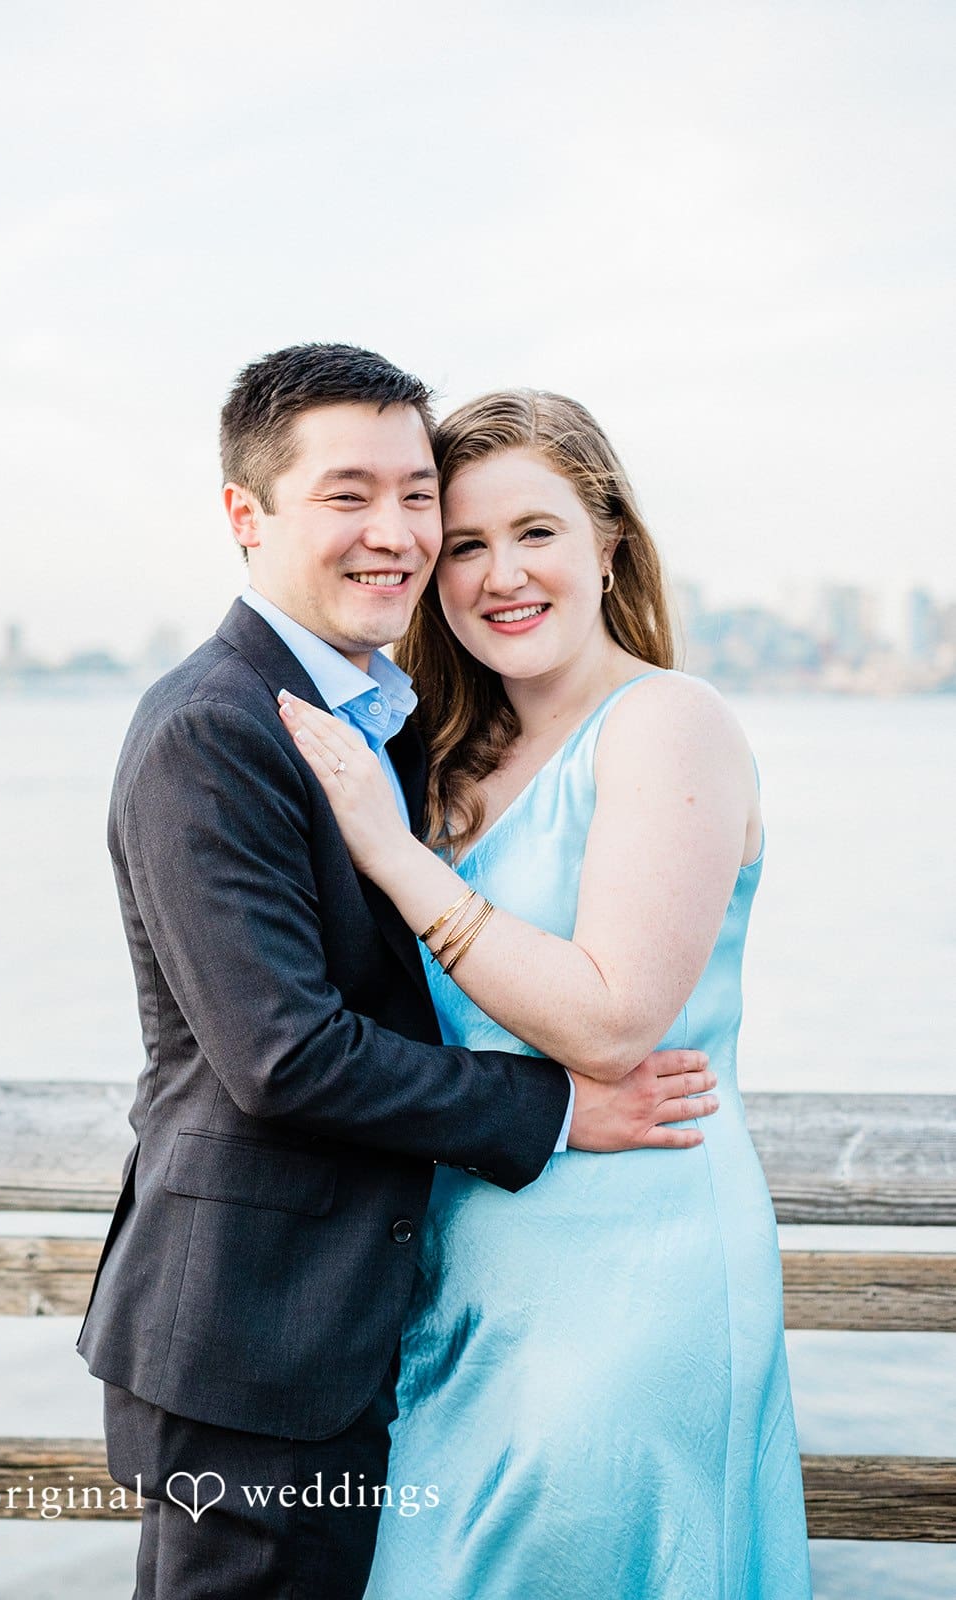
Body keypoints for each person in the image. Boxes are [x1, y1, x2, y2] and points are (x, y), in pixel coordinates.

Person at [75, 346, 720, 1600]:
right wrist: (558, 1106)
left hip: (380, 1323)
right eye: (347, 494)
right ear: (245, 514)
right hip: (255, 1337)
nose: (397, 533)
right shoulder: (214, 724)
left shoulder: (393, 717)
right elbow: (285, 1056)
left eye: (416, 494)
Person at [283, 388, 813, 1599]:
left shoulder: (665, 724)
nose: (501, 575)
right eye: (465, 544)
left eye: (535, 532)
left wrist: (395, 857)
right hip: (459, 1283)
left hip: (627, 1267)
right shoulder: (444, 755)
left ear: (607, 541)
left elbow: (612, 1021)